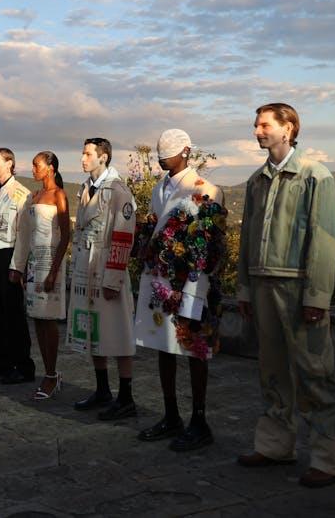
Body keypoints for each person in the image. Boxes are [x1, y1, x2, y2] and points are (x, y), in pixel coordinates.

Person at [236, 103, 335, 488]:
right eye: (256, 125)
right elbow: (247, 238)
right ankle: (274, 445)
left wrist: (317, 295)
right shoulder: (256, 181)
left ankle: (329, 460)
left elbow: (325, 238)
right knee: (272, 370)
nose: (257, 131)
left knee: (315, 373)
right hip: (262, 284)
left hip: (299, 287)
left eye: (264, 125)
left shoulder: (316, 175)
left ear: (289, 129)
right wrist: (245, 288)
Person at [134, 129, 224, 450]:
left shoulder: (205, 189)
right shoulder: (159, 188)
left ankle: (199, 421)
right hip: (160, 281)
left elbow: (209, 243)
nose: (161, 156)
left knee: (195, 350)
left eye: (168, 151)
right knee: (164, 346)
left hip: (191, 282)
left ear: (186, 151)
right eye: (158, 151)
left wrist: (195, 285)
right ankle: (171, 414)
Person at [67, 138, 138, 419]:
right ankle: (102, 390)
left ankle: (126, 397)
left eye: (87, 154)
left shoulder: (118, 190)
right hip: (87, 267)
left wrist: (113, 278)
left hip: (108, 269)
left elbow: (123, 235)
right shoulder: (86, 188)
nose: (82, 159)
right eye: (82, 153)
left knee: (118, 333)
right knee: (93, 331)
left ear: (103, 157)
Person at [11, 152, 70, 400]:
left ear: (50, 168)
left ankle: (51, 373)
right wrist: (22, 266)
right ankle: (49, 372)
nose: (32, 169)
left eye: (36, 165)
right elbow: (26, 234)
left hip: (51, 262)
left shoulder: (59, 195)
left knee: (49, 319)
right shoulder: (33, 196)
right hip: (35, 262)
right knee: (37, 317)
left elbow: (66, 235)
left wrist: (54, 271)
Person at [0, 148, 35, 384]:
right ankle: (2, 363)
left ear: (9, 163)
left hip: (10, 255)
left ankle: (23, 366)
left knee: (14, 315)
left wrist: (18, 266)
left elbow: (24, 233)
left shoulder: (22, 193)